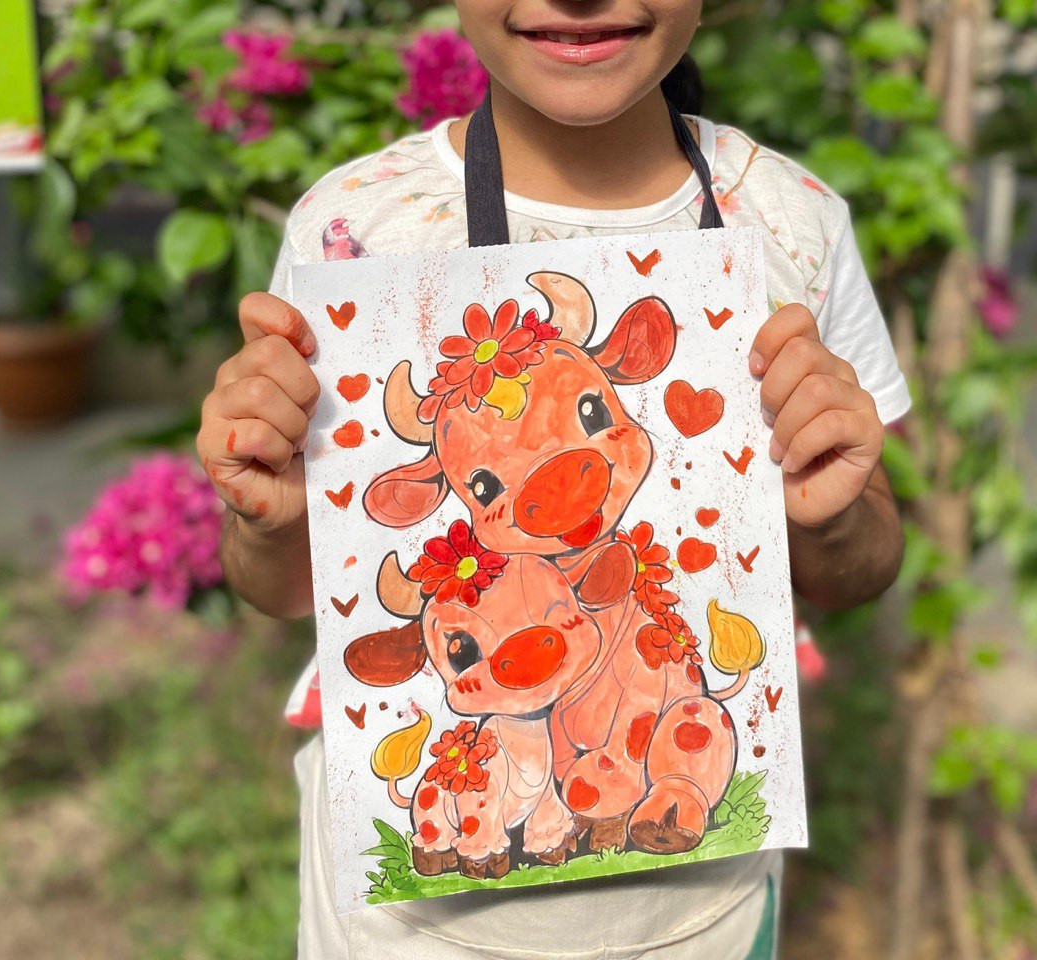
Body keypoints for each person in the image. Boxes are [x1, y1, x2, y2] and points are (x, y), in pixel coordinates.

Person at [197, 2, 912, 957]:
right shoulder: (353, 231)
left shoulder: (790, 221)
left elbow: (861, 561)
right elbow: (286, 587)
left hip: (703, 919)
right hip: (404, 936)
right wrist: (272, 517)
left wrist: (832, 518)